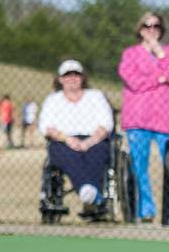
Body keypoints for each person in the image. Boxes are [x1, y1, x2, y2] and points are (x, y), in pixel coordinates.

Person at [38, 59, 114, 218]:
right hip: (63, 140)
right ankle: (90, 194)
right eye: (67, 75)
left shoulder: (96, 96)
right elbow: (46, 127)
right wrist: (67, 139)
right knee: (67, 155)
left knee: (97, 154)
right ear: (60, 79)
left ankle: (89, 195)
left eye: (76, 75)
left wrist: (89, 141)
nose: (72, 78)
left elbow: (106, 123)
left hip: (94, 139)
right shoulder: (53, 100)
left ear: (82, 78)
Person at [117, 11, 169, 224]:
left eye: (156, 26)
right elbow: (132, 81)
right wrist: (160, 78)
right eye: (147, 26)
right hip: (137, 119)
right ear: (140, 29)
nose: (152, 29)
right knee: (140, 166)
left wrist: (159, 53)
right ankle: (146, 209)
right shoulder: (130, 54)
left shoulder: (166, 52)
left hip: (164, 119)